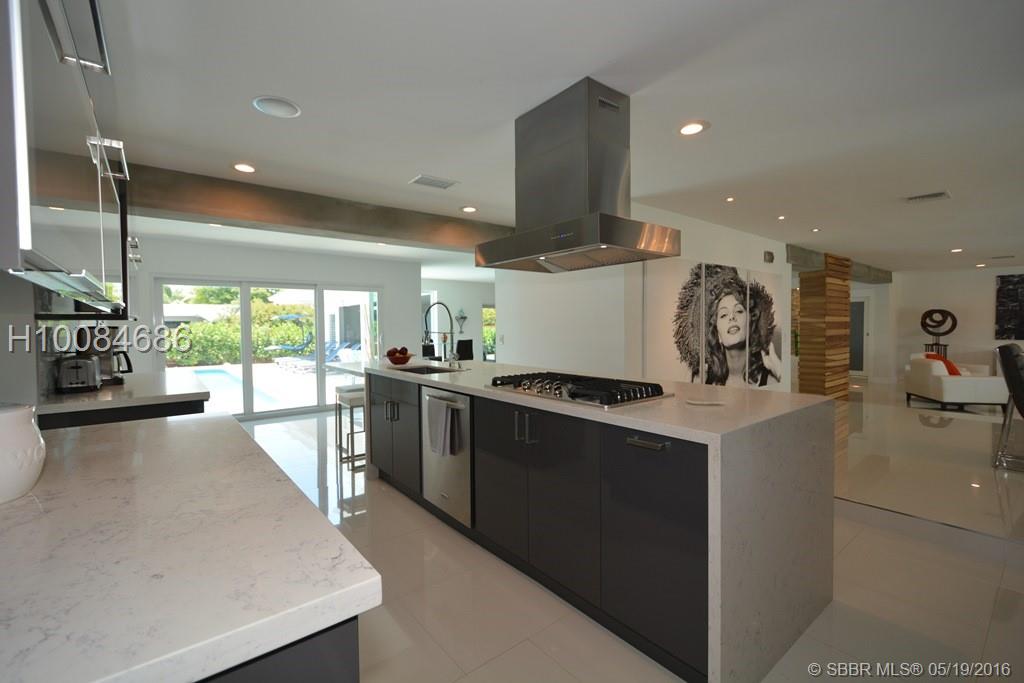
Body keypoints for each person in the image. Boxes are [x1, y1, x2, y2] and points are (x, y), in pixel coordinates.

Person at [674, 264, 782, 386]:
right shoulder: (704, 379)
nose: (732, 317)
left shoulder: (770, 380)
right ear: (717, 335)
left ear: (751, 324)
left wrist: (777, 368)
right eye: (724, 315)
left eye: (739, 311)